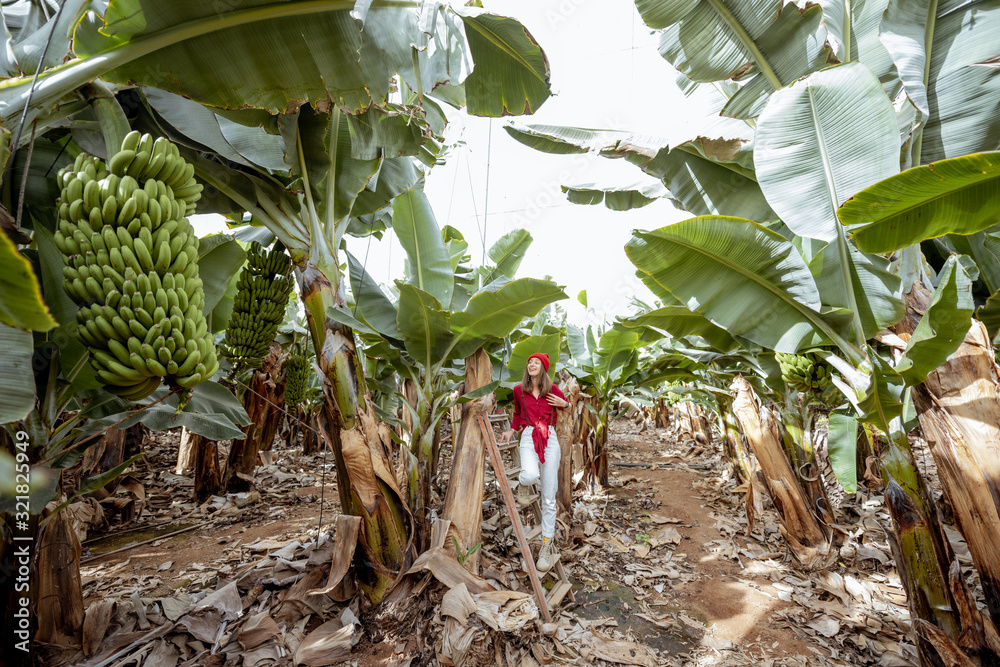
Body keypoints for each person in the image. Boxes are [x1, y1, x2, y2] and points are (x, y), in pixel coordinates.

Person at [500, 352, 569, 573]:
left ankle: (546, 546)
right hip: (529, 435)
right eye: (529, 361)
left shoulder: (553, 389)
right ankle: (522, 485)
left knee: (549, 497)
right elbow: (518, 414)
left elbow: (567, 404)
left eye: (536, 362)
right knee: (530, 475)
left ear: (544, 368)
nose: (531, 364)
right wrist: (511, 431)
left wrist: (564, 404)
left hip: (550, 438)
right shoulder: (519, 391)